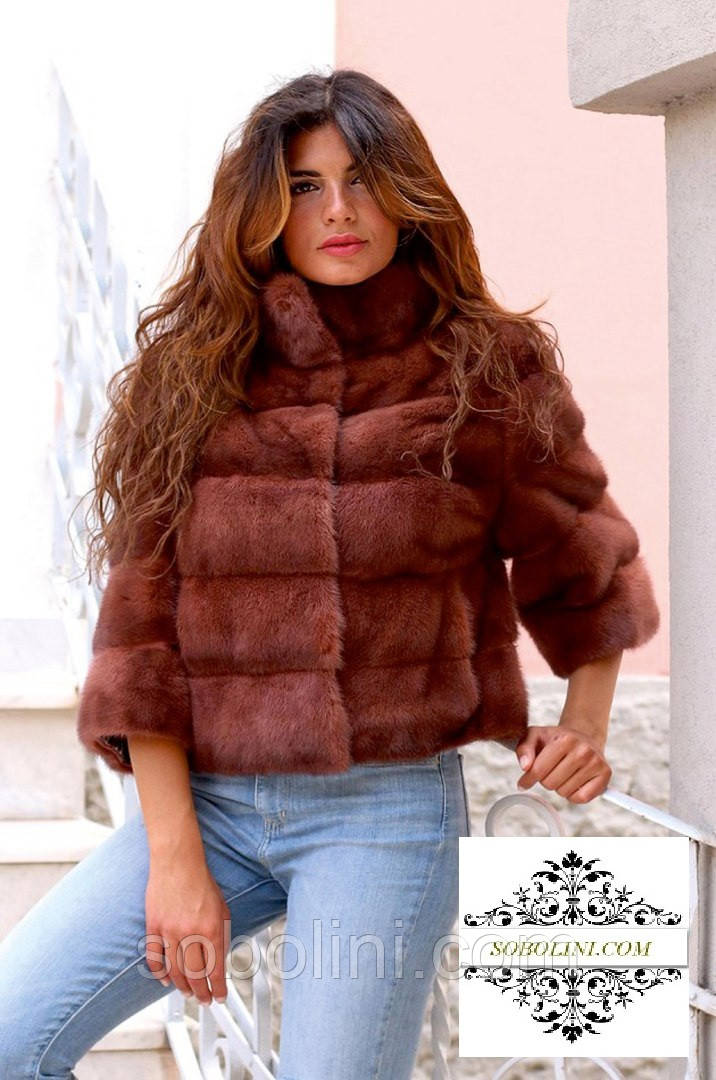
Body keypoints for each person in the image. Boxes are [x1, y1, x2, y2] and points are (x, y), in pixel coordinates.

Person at [0, 68, 659, 1079]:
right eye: (304, 185)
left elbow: (584, 551)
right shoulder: (196, 372)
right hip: (207, 806)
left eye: (361, 179)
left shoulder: (486, 368)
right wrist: (173, 857)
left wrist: (586, 724)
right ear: (263, 207)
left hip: (381, 816)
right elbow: (141, 635)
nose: (338, 209)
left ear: (406, 194)